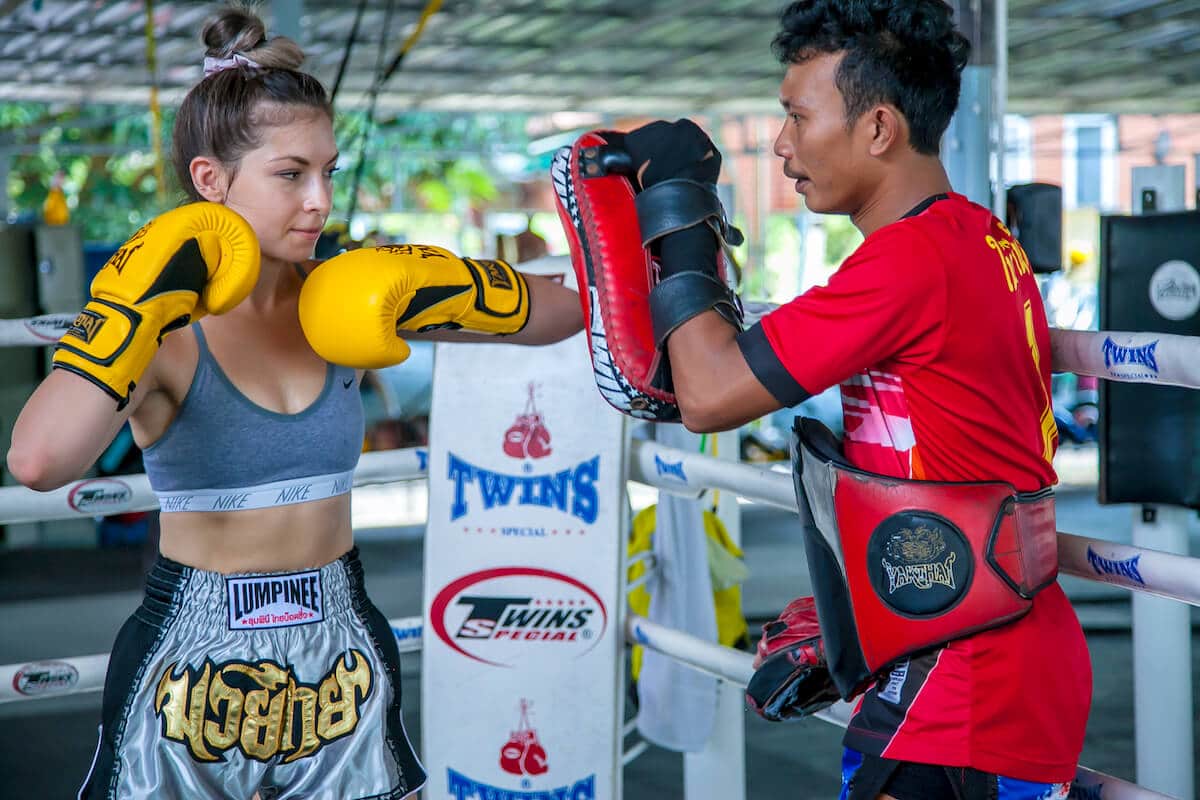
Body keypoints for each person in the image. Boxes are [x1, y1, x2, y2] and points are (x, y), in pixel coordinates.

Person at [5, 6, 581, 799]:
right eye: (290, 174)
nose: (319, 201)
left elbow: (560, 316)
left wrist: (451, 277)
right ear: (211, 181)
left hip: (339, 643)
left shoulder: (347, 304)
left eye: (329, 171)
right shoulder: (171, 335)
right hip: (192, 669)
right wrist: (132, 311)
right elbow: (38, 461)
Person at [605, 2, 1092, 798]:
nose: (782, 144)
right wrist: (874, 606)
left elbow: (707, 395)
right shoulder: (976, 238)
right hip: (974, 654)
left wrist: (678, 209)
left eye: (798, 115)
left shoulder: (908, 263)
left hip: (963, 687)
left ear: (878, 129)